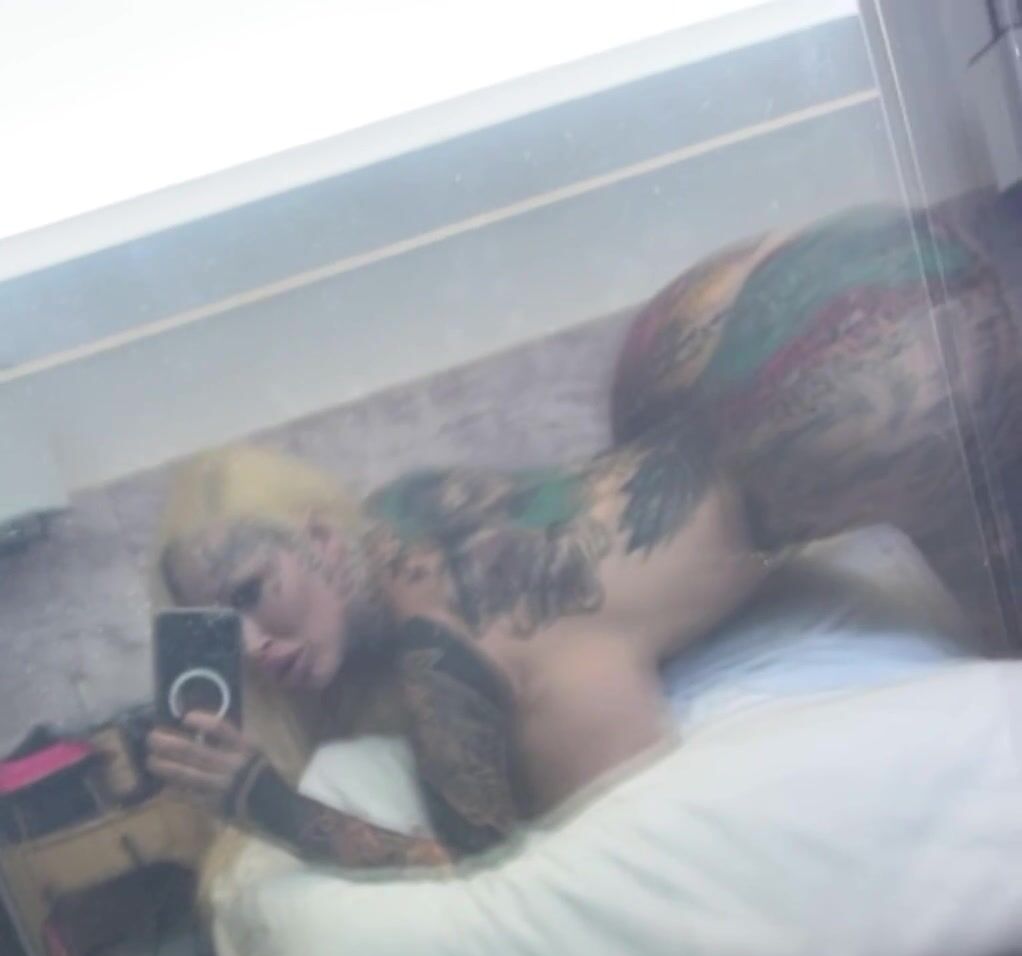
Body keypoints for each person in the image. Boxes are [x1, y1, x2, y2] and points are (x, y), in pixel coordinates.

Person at [148, 201, 1022, 870]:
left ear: (322, 538)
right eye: (226, 628)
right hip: (696, 354)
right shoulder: (405, 504)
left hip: (840, 401)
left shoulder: (436, 644)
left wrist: (262, 800)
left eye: (253, 593)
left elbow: (474, 866)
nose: (254, 647)